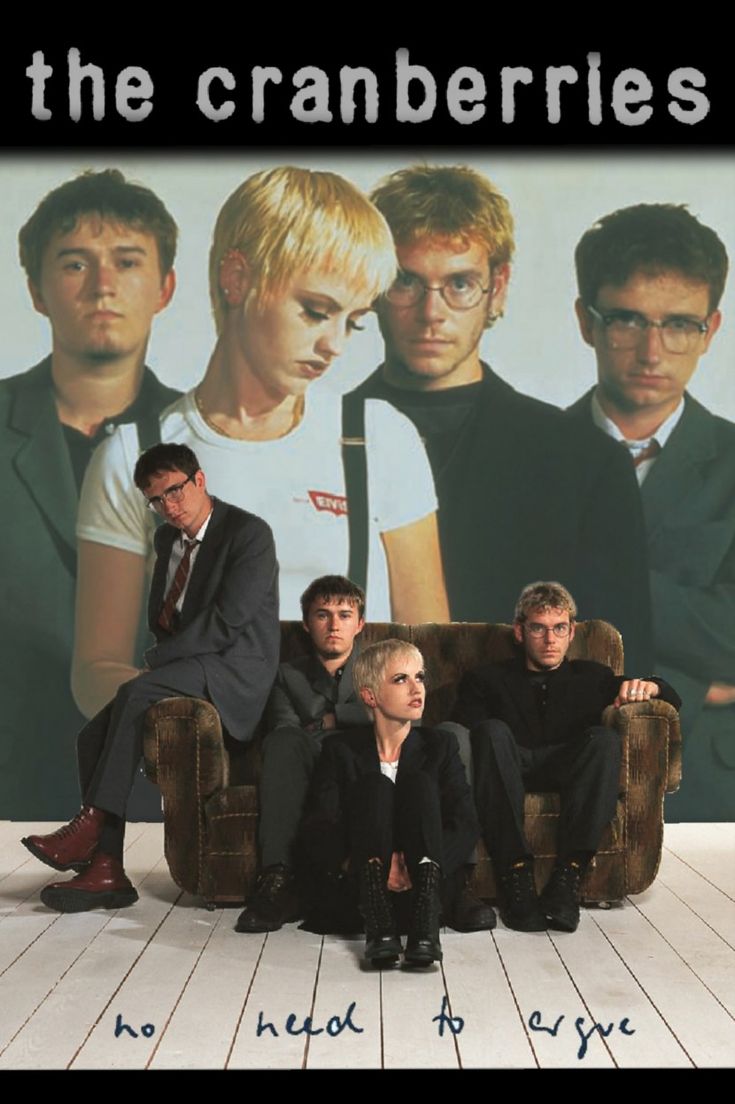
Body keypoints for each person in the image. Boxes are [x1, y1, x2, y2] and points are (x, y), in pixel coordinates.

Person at [74, 166, 449, 723]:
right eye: (317, 311)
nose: (334, 345)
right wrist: (194, 724)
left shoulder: (380, 438)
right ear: (236, 277)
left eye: (354, 322)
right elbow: (95, 671)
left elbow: (433, 651)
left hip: (351, 747)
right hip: (207, 752)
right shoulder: (132, 455)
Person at [346, 164, 653, 672]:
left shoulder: (587, 461)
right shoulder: (311, 439)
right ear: (373, 283)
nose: (432, 312)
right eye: (407, 281)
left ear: (499, 286)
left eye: (460, 283)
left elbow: (626, 671)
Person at [21, 442, 279, 913]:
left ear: (199, 481)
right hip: (191, 663)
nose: (169, 507)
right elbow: (163, 612)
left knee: (136, 690)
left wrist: (160, 660)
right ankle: (106, 870)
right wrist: (166, 654)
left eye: (175, 492)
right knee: (90, 735)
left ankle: (90, 826)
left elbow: (228, 623)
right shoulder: (166, 540)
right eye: (156, 500)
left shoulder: (249, 534)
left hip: (236, 669)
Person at [0, 169, 179, 819]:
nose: (103, 285)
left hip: (156, 788)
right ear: (37, 291)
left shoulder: (207, 439)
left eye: (127, 263)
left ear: (164, 288)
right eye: (75, 263)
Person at [567, 203, 735, 821]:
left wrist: (592, 585)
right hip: (557, 767)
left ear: (711, 329)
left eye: (680, 325)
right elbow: (492, 622)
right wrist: (697, 686)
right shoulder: (523, 457)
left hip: (713, 787)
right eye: (628, 320)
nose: (652, 350)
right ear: (587, 321)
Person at [454, 582, 680, 934]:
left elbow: (670, 695)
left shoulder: (593, 676)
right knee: (491, 732)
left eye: (559, 629)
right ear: (520, 631)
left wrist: (652, 686)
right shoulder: (487, 679)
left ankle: (567, 877)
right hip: (507, 769)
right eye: (539, 628)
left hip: (567, 767)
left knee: (604, 740)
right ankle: (515, 877)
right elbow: (467, 733)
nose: (550, 639)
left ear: (571, 632)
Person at [301, 639, 480, 967]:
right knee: (375, 786)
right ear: (370, 696)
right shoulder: (341, 750)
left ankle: (425, 930)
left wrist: (421, 871)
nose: (417, 688)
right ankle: (379, 930)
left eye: (420, 677)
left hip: (424, 890)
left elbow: (464, 823)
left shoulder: (440, 745)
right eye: (401, 679)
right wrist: (365, 868)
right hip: (362, 894)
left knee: (418, 783)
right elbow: (319, 827)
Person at [236, 574, 369, 933]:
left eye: (344, 615)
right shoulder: (286, 675)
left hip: (362, 763)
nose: (333, 625)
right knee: (283, 743)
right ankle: (276, 879)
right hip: (310, 761)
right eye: (322, 615)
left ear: (359, 624)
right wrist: (352, 720)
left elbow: (393, 715)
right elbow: (286, 730)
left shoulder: (379, 667)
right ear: (307, 623)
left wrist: (331, 717)